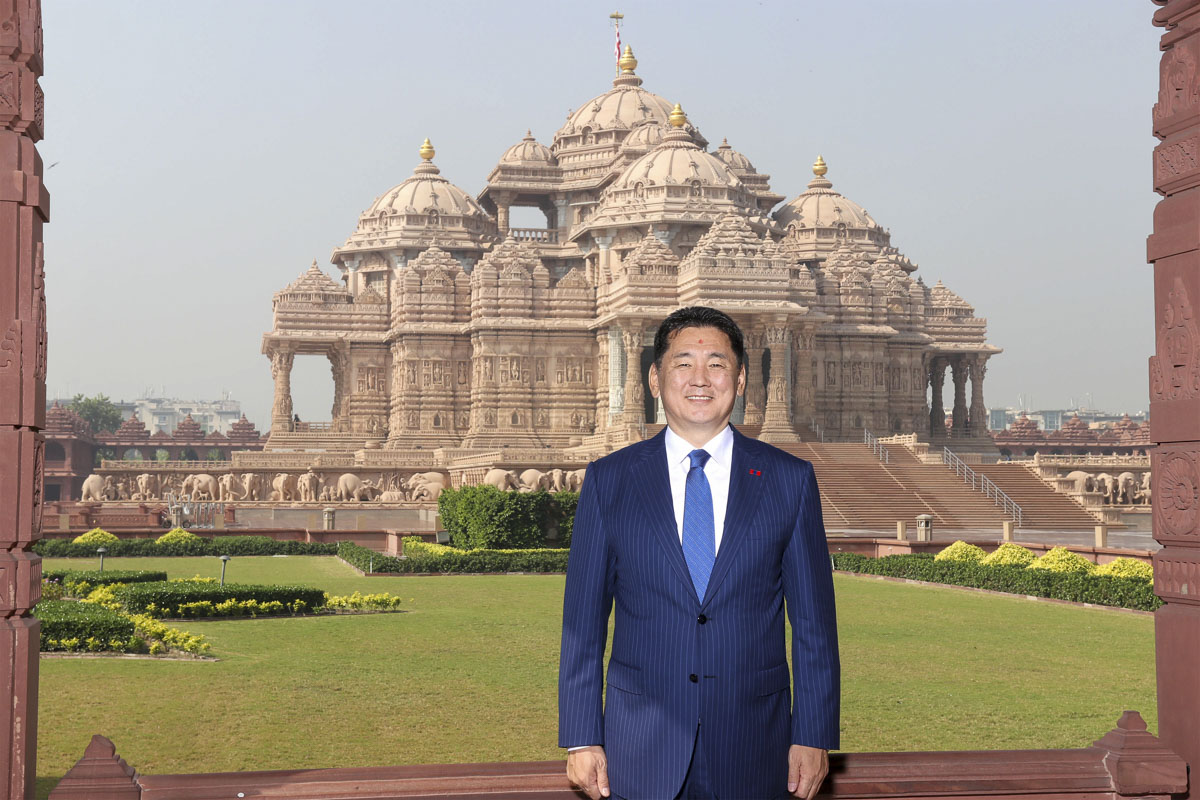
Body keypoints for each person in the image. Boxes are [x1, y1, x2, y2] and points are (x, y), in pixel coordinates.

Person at [559, 306, 839, 800]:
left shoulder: (788, 480)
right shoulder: (610, 480)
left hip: (755, 744)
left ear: (741, 378)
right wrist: (582, 736)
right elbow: (583, 623)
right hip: (639, 745)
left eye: (717, 364)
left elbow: (814, 625)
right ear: (654, 378)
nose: (700, 379)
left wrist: (813, 733)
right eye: (683, 363)